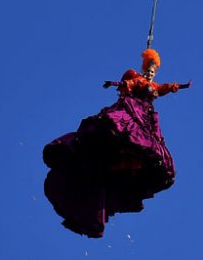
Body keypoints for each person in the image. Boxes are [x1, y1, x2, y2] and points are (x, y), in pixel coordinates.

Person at [42, 49, 192, 237]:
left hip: (146, 116)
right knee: (122, 129)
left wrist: (180, 86)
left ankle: (127, 156)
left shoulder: (154, 85)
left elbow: (165, 88)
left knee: (147, 144)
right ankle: (116, 147)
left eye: (154, 72)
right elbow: (127, 84)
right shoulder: (137, 79)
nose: (151, 73)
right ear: (145, 68)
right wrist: (117, 84)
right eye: (149, 70)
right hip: (133, 108)